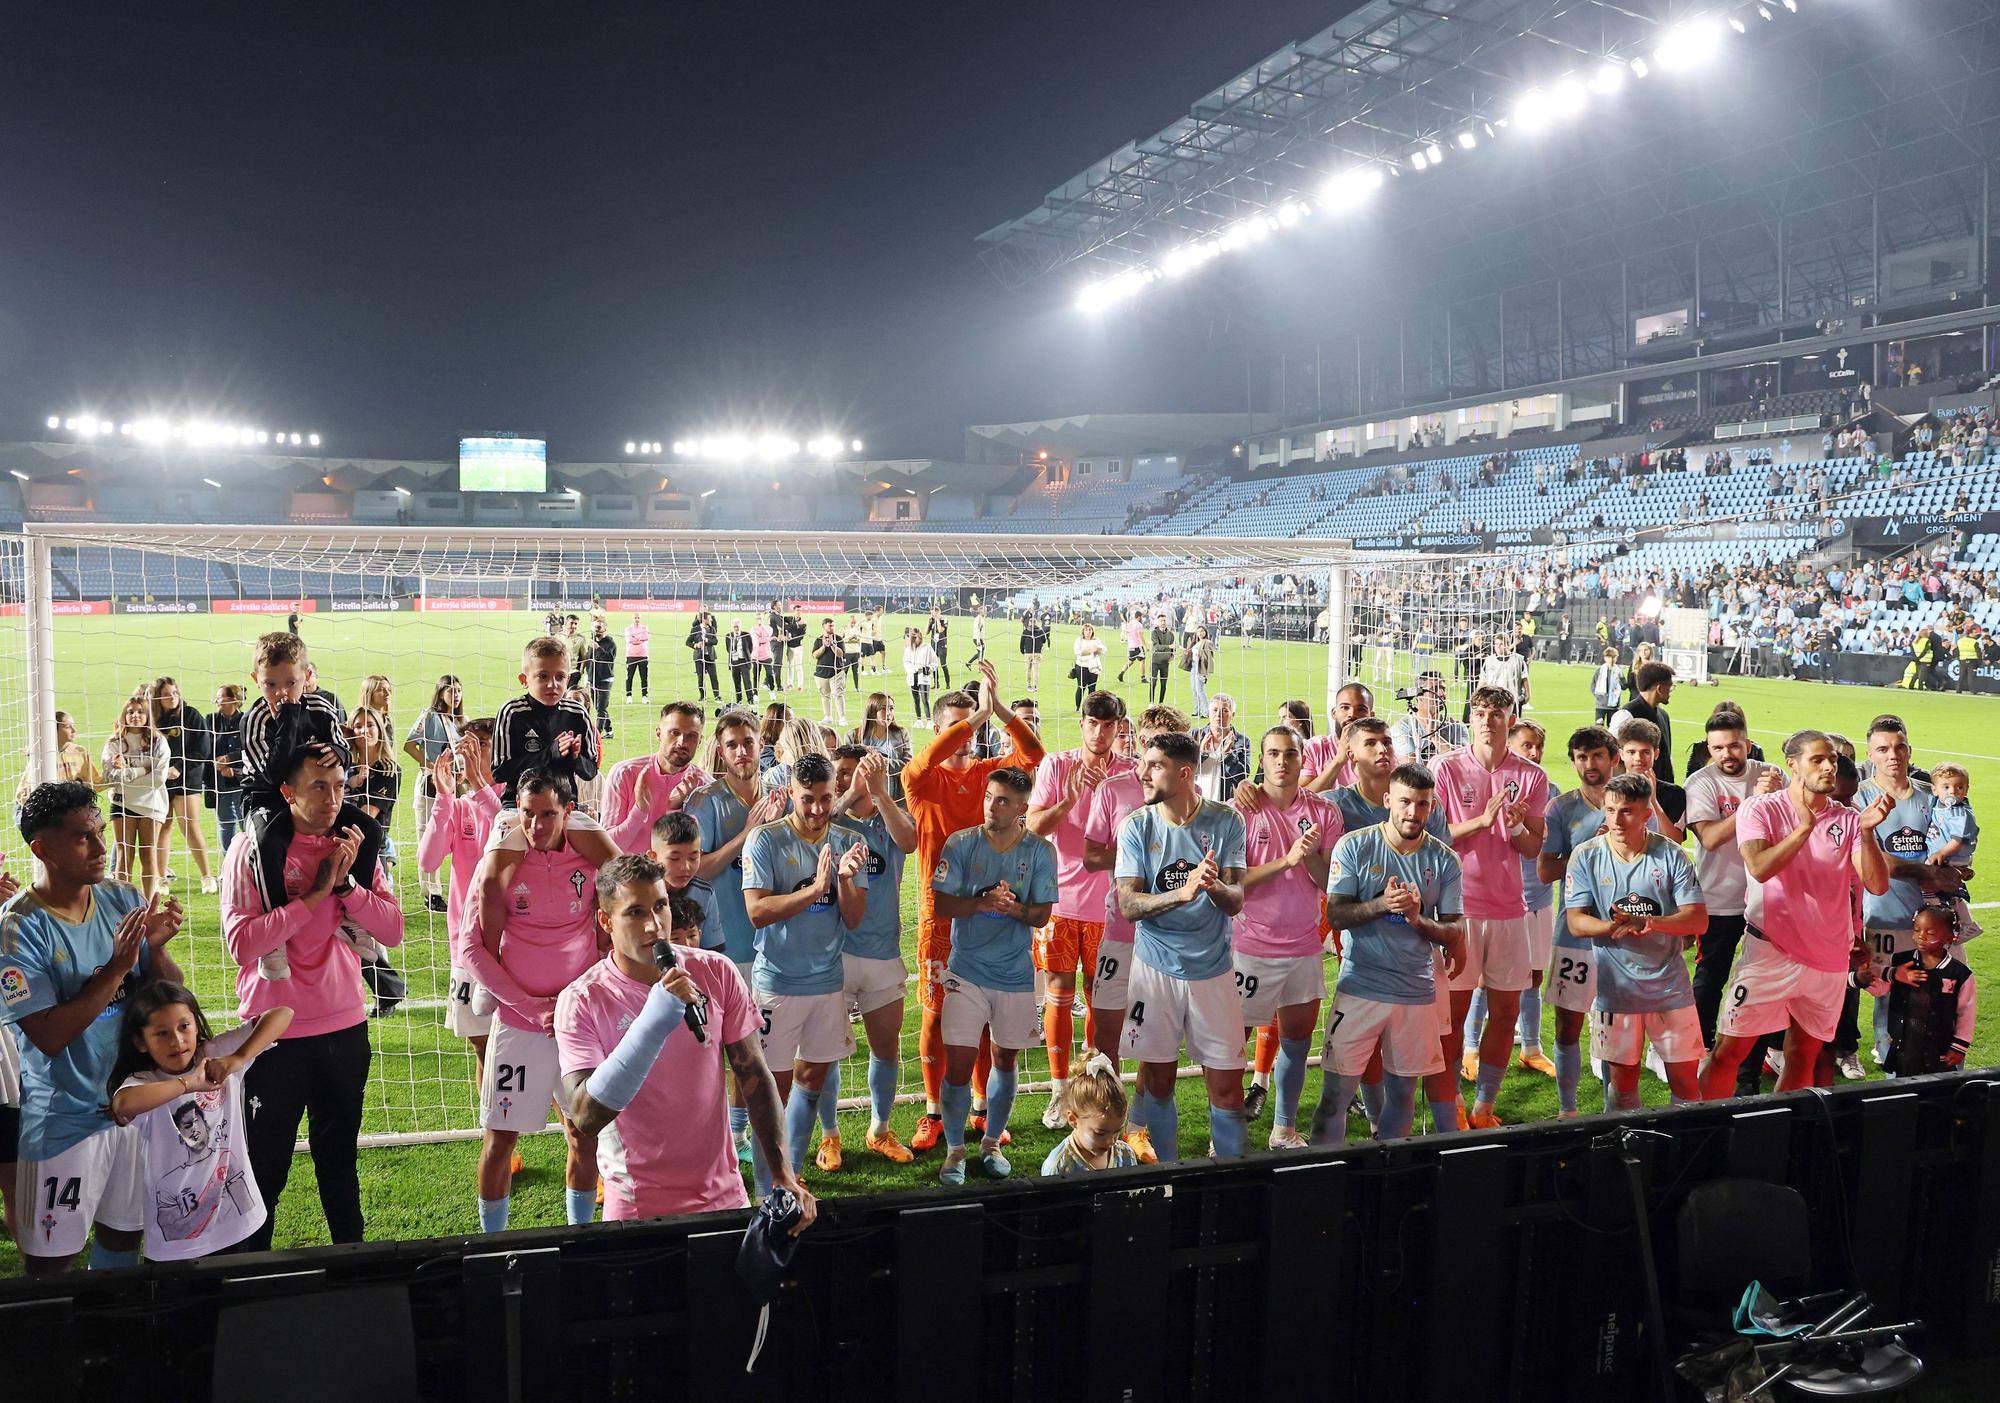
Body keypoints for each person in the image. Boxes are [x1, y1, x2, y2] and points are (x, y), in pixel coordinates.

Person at [558, 859, 815, 1229]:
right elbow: (585, 1116)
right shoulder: (582, 999)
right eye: (634, 912)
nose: (654, 925)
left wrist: (782, 1174)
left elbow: (755, 1077)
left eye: (660, 906)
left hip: (724, 1196)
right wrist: (654, 1019)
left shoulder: (716, 970)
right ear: (605, 922)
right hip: (637, 1207)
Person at [220, 742, 402, 1252]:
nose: (332, 798)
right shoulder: (253, 850)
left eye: (340, 786)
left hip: (344, 1027)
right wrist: (315, 896)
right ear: (288, 792)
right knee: (265, 1165)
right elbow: (242, 944)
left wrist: (347, 890)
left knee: (339, 1157)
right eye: (318, 787)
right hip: (273, 1033)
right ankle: (252, 1273)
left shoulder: (355, 846)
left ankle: (353, 1264)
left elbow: (392, 930)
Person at [2, 782, 183, 1273]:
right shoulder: (18, 928)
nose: (103, 848)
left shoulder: (122, 897)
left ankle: (108, 1347)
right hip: (63, 1123)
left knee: (123, 1241)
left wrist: (158, 949)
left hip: (130, 1108)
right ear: (42, 849)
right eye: (85, 837)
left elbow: (168, 998)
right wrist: (118, 969)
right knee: (51, 1266)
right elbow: (47, 1034)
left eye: (102, 832)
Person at [1698, 731, 1892, 1098]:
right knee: (1729, 1052)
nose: (1829, 766)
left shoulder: (1849, 819)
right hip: (1770, 953)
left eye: (1832, 759)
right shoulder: (1762, 809)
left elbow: (1876, 884)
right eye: (1818, 759)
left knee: (1803, 1056)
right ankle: (1705, 1137)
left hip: (1828, 960)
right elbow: (1759, 867)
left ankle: (1779, 1137)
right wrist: (1804, 827)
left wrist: (1867, 832)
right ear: (1792, 764)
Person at [901, 660, 1045, 1153]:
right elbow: (922, 762)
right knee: (936, 1016)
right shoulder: (919, 782)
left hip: (997, 915)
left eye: (970, 728)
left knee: (983, 1019)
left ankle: (984, 1110)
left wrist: (999, 709)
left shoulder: (991, 777)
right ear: (939, 731)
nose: (965, 738)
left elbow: (1035, 754)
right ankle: (933, 1110)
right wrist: (976, 717)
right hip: (939, 916)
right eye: (955, 728)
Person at [459, 769, 604, 1232]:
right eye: (527, 814)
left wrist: (583, 996)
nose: (537, 826)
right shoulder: (498, 863)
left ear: (568, 814)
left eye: (548, 814)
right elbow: (470, 949)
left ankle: (580, 1235)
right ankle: (491, 1242)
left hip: (577, 1027)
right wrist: (530, 1006)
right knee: (500, 1139)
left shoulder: (588, 859)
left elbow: (614, 925)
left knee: (584, 1133)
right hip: (521, 1027)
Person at [1312, 763, 1466, 1144]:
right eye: (1404, 802)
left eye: (1422, 804)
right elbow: (1336, 914)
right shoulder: (1355, 846)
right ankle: (1318, 1179)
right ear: (1387, 801)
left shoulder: (1445, 860)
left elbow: (1454, 932)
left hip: (1416, 993)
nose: (1413, 813)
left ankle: (1389, 1176)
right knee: (1334, 1098)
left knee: (1403, 1095)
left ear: (1432, 807)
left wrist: (1415, 918)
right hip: (1360, 987)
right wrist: (1382, 904)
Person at [1115, 731, 1249, 1161]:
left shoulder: (1226, 821)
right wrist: (1181, 893)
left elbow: (1236, 899)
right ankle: (1169, 1178)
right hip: (1155, 971)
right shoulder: (1137, 825)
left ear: (1185, 773)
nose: (1142, 772)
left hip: (1213, 972)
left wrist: (1211, 888)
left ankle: (1232, 1182)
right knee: (1157, 1081)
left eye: (1154, 765)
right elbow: (1129, 904)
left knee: (1228, 1087)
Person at [741, 753, 869, 1193]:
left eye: (826, 799)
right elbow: (757, 911)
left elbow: (853, 919)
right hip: (777, 984)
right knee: (770, 1090)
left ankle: (789, 1175)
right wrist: (816, 889)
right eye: (808, 800)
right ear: (791, 794)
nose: (817, 809)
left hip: (827, 984)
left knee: (812, 1079)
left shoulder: (850, 841)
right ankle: (764, 1187)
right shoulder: (764, 840)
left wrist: (846, 880)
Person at [930, 768, 1057, 1182]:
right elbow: (943, 906)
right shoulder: (961, 843)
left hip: (1015, 974)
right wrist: (983, 903)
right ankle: (954, 1151)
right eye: (989, 797)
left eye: (1002, 800)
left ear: (1022, 809)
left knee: (1005, 1059)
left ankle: (991, 1142)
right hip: (965, 972)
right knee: (958, 1066)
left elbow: (1041, 915)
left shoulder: (1039, 851)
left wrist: (1011, 909)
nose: (991, 806)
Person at [1432, 687, 1548, 1129]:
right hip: (1459, 910)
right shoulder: (1446, 768)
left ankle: (1484, 1106)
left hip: (1509, 910)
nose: (1486, 720)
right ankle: (1451, 1103)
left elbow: (1534, 846)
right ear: (1470, 719)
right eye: (1479, 713)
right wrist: (1483, 820)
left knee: (1506, 1011)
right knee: (1454, 1013)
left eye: (1495, 714)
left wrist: (1516, 826)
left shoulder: (1531, 776)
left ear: (1510, 718)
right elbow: (1436, 839)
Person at [107, 983, 291, 1260]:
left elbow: (283, 1013)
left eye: (184, 1027)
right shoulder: (144, 1082)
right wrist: (190, 1083)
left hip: (240, 1225)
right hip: (179, 1244)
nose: (177, 1041)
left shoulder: (216, 1054)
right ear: (140, 1042)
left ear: (196, 1023)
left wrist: (239, 1058)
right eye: (162, 1033)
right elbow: (123, 1104)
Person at [1563, 774, 1708, 1110]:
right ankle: (1626, 1155)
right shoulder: (1586, 856)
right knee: (1623, 1086)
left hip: (1670, 991)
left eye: (1627, 811)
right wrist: (1613, 926)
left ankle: (1683, 1154)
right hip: (1615, 993)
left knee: (1686, 1085)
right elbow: (1576, 921)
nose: (1615, 820)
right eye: (1610, 810)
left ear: (1646, 814)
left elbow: (1698, 919)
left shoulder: (1671, 855)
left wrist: (1647, 922)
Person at [1229, 724, 1340, 1149]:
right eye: (1272, 753)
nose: (1281, 761)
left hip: (1303, 948)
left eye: (1289, 754)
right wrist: (1287, 858)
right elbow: (1234, 883)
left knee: (1296, 1043)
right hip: (1250, 950)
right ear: (1261, 760)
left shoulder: (1324, 813)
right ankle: (1226, 1131)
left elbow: (1327, 880)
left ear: (1301, 759)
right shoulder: (1241, 810)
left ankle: (1284, 1129)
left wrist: (1308, 854)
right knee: (1231, 1048)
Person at [1024, 690, 1133, 1122]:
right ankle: (1058, 1088)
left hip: (1111, 909)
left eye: (1109, 726)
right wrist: (1067, 802)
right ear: (1081, 722)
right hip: (1061, 903)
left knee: (1101, 1000)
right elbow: (1032, 827)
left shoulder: (1132, 773)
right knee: (1059, 996)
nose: (1101, 733)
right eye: (1093, 723)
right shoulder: (1056, 765)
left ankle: (1097, 1083)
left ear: (1118, 727)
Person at [686, 710, 790, 1158]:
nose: (743, 751)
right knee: (719, 1046)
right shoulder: (705, 801)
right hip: (724, 942)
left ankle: (741, 1133)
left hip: (776, 941)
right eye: (733, 745)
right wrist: (749, 832)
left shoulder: (779, 793)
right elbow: (696, 866)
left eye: (748, 742)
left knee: (759, 1046)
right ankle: (720, 1132)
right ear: (720, 750)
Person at [239, 632, 384, 937]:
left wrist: (340, 752)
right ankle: (277, 928)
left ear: (306, 676)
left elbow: (342, 748)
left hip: (312, 797)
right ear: (256, 679)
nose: (281, 693)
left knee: (368, 830)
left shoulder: (320, 706)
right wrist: (290, 716)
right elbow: (274, 774)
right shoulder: (255, 720)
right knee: (268, 843)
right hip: (267, 799)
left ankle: (354, 918)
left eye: (291, 683)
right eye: (271, 685)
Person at [1857, 715, 1968, 1073]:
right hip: (1883, 917)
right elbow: (1878, 860)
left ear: (1910, 750)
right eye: (1883, 749)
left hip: (1931, 919)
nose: (1893, 755)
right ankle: (1892, 1072)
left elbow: (1954, 846)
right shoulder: (1861, 798)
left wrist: (1957, 870)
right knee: (1887, 995)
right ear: (1870, 754)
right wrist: (1932, 873)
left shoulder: (1930, 797)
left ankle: (1938, 1064)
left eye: (1899, 747)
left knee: (1939, 994)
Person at [825, 745, 919, 1163]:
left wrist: (880, 793)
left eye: (857, 771)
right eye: (842, 772)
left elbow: (911, 841)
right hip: (834, 954)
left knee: (886, 1047)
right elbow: (822, 817)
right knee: (824, 1050)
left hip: (882, 952)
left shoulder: (889, 818)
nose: (850, 779)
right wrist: (848, 793)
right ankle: (829, 1135)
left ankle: (880, 1129)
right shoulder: (827, 820)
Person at [1683, 712, 1785, 1059]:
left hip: (1769, 898)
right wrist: (1753, 804)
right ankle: (1698, 1046)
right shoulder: (1700, 782)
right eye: (1718, 748)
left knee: (1767, 976)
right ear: (1708, 749)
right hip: (1719, 897)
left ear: (1748, 743)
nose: (1727, 754)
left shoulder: (1773, 775)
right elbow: (1709, 837)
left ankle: (1768, 1046)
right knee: (1711, 976)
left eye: (1734, 746)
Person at [1463, 721, 1560, 1082]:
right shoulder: (1489, 786)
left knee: (1533, 976)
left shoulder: (1548, 788)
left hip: (1538, 896)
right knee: (1485, 980)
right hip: (1499, 902)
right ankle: (1471, 1048)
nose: (1532, 753)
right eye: (1526, 746)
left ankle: (1531, 1048)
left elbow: (1547, 845)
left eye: (1538, 746)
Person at [419, 720, 506, 1099]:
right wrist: (443, 799)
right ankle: (500, 1139)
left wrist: (477, 785)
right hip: (467, 947)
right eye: (465, 745)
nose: (470, 751)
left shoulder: (515, 799)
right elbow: (428, 860)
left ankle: (571, 1135)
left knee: (536, 1043)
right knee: (482, 1045)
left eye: (482, 744)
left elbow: (507, 831)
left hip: (518, 942)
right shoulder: (459, 807)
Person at [1853, 904, 1975, 1077]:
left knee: (1937, 1096)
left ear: (1950, 937)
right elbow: (1881, 989)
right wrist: (1865, 977)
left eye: (1930, 933)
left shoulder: (1959, 974)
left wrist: (1959, 1046)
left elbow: (1966, 1013)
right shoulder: (1901, 961)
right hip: (1905, 1048)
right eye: (1917, 930)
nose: (1920, 937)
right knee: (1904, 1094)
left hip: (1938, 1052)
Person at [492, 635, 602, 808]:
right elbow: (500, 772)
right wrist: (550, 753)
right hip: (518, 807)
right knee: (503, 836)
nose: (553, 684)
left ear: (568, 678)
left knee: (600, 836)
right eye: (543, 676)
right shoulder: (512, 712)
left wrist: (575, 758)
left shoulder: (577, 713)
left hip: (566, 808)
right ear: (524, 680)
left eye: (560, 677)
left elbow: (590, 772)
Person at [600, 702, 712, 852]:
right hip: (628, 874)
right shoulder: (624, 774)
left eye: (691, 735)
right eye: (674, 732)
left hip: (681, 875)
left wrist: (676, 808)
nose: (682, 742)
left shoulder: (705, 787)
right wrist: (639, 812)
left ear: (699, 741)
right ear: (659, 733)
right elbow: (607, 849)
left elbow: (701, 853)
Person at [402, 674, 466, 913]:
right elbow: (409, 744)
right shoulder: (430, 716)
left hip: (457, 785)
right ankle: (432, 894)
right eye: (451, 691)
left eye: (459, 690)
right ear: (440, 693)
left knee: (458, 836)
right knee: (429, 835)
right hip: (431, 783)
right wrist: (428, 765)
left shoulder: (461, 721)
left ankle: (459, 888)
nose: (456, 695)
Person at [149, 677, 213, 895]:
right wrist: (162, 770)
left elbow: (202, 749)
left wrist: (178, 768)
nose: (173, 697)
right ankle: (161, 879)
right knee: (163, 828)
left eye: (175, 692)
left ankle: (207, 876)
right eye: (167, 694)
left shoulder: (191, 715)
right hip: (161, 782)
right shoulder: (153, 719)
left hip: (187, 779)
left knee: (190, 827)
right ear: (158, 697)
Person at [103, 695, 170, 899]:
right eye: (130, 712)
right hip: (121, 801)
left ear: (147, 715)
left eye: (140, 711)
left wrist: (128, 774)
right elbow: (109, 777)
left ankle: (148, 904)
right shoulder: (114, 742)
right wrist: (142, 770)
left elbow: (158, 779)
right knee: (124, 855)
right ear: (124, 715)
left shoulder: (159, 742)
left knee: (148, 855)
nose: (135, 715)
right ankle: (124, 904)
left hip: (152, 803)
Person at [1040, 1051, 1139, 1175]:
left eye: (1117, 1131)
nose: (1111, 1141)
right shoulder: (1059, 1167)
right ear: (1073, 1119)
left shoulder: (1125, 1155)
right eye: (1100, 1133)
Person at [1610, 661, 1677, 784]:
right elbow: (1612, 758)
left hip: (1664, 792)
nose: (1671, 690)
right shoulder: (1626, 715)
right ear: (1660, 688)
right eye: (1670, 686)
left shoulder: (1663, 715)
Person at [1301, 682, 1373, 794]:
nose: (1352, 714)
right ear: (1334, 713)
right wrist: (1339, 760)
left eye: (1361, 709)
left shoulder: (1381, 751)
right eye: (1345, 707)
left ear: (1371, 716)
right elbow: (1301, 799)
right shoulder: (1314, 748)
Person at [1389, 671, 1467, 765]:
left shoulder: (1457, 726)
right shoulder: (1402, 728)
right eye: (1434, 689)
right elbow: (1412, 769)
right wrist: (1447, 762)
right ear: (1419, 696)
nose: (1441, 693)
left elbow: (1463, 763)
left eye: (1443, 689)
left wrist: (1434, 736)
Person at [207, 689, 246, 857]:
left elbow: (249, 748)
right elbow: (205, 745)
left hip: (241, 779)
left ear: (233, 700)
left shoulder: (246, 720)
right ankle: (228, 863)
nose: (217, 700)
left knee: (245, 822)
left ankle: (250, 860)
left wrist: (231, 763)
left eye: (220, 697)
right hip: (218, 781)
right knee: (225, 822)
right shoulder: (211, 720)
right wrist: (218, 764)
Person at [1192, 694, 1251, 801]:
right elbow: (1184, 769)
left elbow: (1242, 776)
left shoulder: (1243, 741)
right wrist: (1201, 753)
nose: (1218, 715)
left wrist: (1228, 755)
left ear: (1233, 715)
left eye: (1224, 711)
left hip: (1225, 804)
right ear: (1209, 713)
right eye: (1215, 710)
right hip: (1196, 803)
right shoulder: (1195, 735)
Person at [812, 617, 849, 727]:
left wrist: (832, 644)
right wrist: (824, 646)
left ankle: (842, 718)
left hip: (836, 672)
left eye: (833, 625)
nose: (832, 627)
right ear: (824, 626)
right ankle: (827, 716)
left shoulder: (839, 639)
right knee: (825, 695)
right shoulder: (818, 640)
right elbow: (815, 655)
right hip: (821, 673)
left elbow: (841, 654)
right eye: (830, 625)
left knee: (838, 694)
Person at [903, 626, 939, 721]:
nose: (915, 639)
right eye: (913, 637)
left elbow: (935, 662)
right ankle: (918, 720)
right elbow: (906, 662)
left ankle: (929, 721)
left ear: (920, 636)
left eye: (916, 637)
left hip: (923, 676)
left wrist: (929, 668)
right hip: (912, 676)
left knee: (925, 700)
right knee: (916, 700)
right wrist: (912, 669)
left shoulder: (927, 647)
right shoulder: (909, 649)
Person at [685, 610, 719, 702]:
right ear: (704, 620)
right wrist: (696, 645)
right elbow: (687, 642)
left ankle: (717, 696)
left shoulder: (712, 629)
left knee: (714, 677)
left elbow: (715, 641)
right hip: (699, 657)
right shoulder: (695, 629)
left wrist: (706, 640)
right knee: (701, 677)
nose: (711, 620)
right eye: (709, 618)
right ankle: (703, 696)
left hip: (710, 656)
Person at [1072, 623, 1107, 711]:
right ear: (1083, 632)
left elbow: (1103, 650)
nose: (1088, 632)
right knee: (1081, 687)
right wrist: (1090, 651)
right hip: (1081, 666)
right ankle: (1077, 707)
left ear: (1092, 631)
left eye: (1090, 630)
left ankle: (1090, 707)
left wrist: (1097, 650)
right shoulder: (1079, 640)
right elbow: (1077, 652)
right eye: (1086, 630)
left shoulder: (1096, 640)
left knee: (1092, 687)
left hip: (1093, 666)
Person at [1146, 614, 1177, 706]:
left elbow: (1173, 648)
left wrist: (1172, 656)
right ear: (1158, 622)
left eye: (1164, 620)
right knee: (1153, 682)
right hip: (1155, 662)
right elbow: (1156, 646)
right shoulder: (1154, 633)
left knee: (1164, 684)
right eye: (1161, 621)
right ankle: (1151, 702)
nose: (1163, 622)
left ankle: (1161, 703)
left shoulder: (1171, 634)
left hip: (1165, 663)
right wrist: (1169, 646)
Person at [725, 617, 756, 704]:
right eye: (734, 626)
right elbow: (728, 649)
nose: (736, 628)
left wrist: (746, 657)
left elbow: (750, 648)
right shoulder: (728, 636)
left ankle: (750, 699)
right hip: (734, 662)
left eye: (737, 626)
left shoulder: (746, 635)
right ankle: (739, 700)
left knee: (747, 681)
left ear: (740, 626)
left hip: (744, 662)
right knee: (736, 682)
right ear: (732, 626)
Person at [624, 614, 652, 701]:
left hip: (643, 655)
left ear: (640, 618)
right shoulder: (628, 629)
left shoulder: (644, 628)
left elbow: (647, 637)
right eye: (635, 618)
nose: (637, 619)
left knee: (644, 677)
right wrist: (640, 638)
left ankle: (644, 696)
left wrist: (635, 637)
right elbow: (629, 640)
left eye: (638, 618)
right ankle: (629, 696)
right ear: (632, 619)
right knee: (629, 677)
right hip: (631, 655)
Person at [1590, 649, 1621, 726]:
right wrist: (1597, 696)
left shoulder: (1618, 671)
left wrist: (1621, 678)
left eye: (1613, 657)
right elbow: (1593, 684)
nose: (1611, 660)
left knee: (1612, 728)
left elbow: (1624, 686)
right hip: (1600, 705)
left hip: (1613, 706)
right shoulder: (1600, 671)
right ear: (1605, 658)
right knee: (1598, 727)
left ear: (1616, 658)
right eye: (1608, 657)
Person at [1117, 608, 1146, 684]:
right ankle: (1143, 678)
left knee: (1130, 661)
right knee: (1142, 661)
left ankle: (1121, 674)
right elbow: (1141, 636)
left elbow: (1127, 631)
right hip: (1138, 645)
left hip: (1131, 645)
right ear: (1139, 617)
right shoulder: (1139, 624)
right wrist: (1146, 646)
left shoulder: (1130, 623)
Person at [751, 613, 777, 695]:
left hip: (766, 655)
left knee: (770, 674)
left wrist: (763, 636)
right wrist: (769, 638)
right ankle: (755, 694)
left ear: (763, 619)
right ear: (755, 619)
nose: (759, 620)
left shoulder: (769, 629)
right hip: (756, 656)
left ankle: (772, 690)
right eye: (758, 618)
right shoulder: (752, 629)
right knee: (756, 676)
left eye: (761, 618)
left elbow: (763, 637)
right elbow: (758, 640)